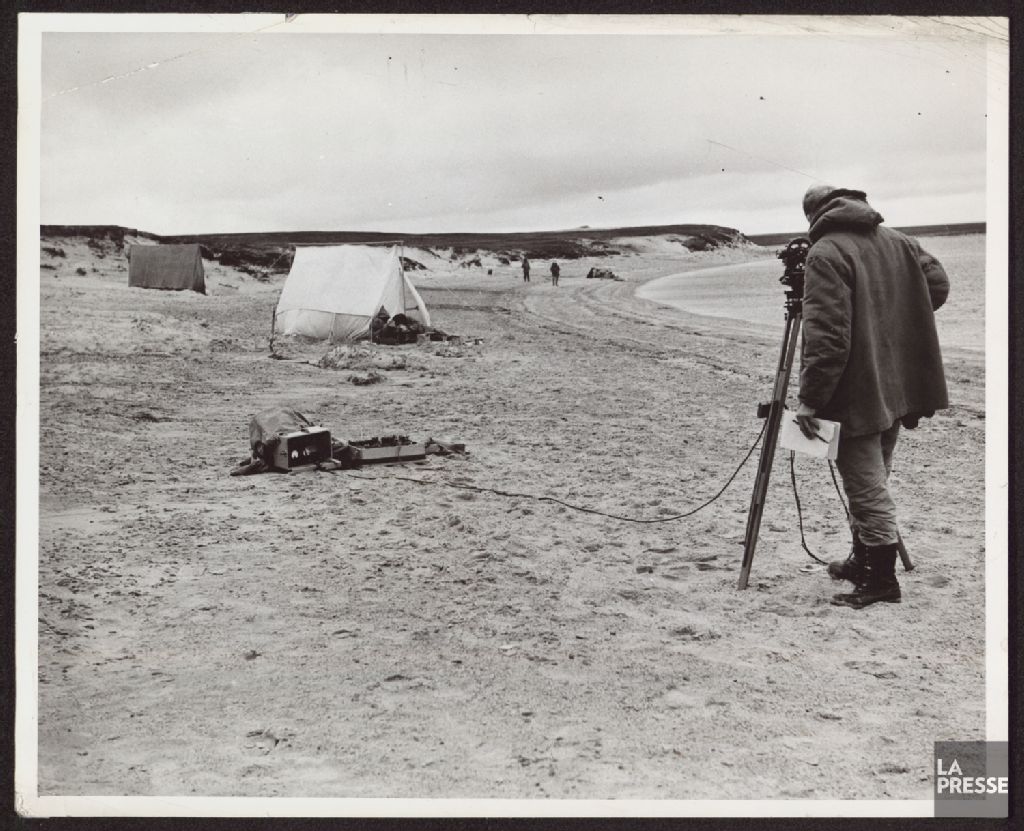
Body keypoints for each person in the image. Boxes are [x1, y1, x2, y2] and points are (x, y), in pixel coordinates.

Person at [794, 184, 949, 609]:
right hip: (895, 383)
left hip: (857, 392)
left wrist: (810, 399)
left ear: (813, 214)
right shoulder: (900, 240)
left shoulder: (825, 252)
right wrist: (892, 316)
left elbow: (827, 339)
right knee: (874, 477)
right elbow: (937, 286)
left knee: (866, 488)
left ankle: (881, 581)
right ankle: (861, 561)